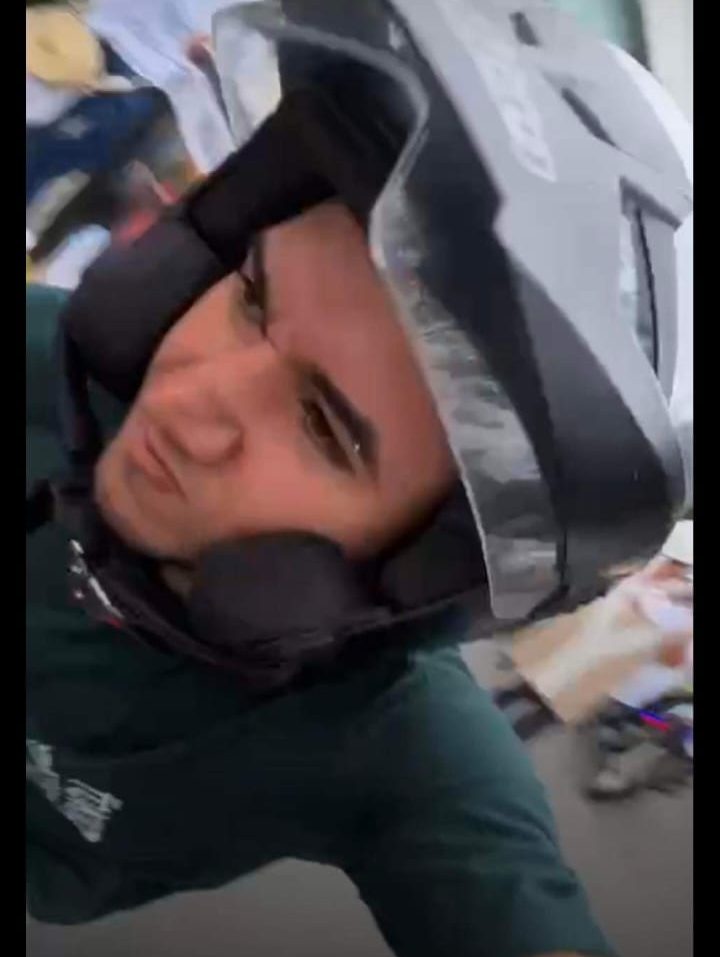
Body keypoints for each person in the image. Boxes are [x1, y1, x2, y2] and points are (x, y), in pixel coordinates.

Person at [27, 2, 692, 955]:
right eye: (250, 296)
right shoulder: (64, 366)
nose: (187, 400)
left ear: (423, 560)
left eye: (322, 424)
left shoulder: (392, 744)